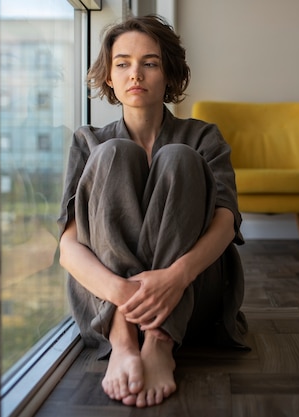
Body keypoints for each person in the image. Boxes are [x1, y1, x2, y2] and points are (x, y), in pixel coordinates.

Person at [57, 15, 248, 408]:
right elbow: (69, 246)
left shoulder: (203, 137)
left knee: (178, 157)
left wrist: (175, 278)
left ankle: (161, 342)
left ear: (168, 74)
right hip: (111, 307)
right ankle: (125, 341)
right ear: (108, 76)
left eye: (150, 63)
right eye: (123, 63)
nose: (135, 74)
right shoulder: (88, 141)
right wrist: (122, 295)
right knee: (113, 154)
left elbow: (226, 223)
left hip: (191, 293)